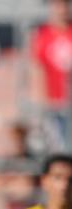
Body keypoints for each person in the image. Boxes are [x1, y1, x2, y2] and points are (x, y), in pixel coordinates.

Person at [31, 0, 72, 150]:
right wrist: (41, 101)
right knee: (57, 146)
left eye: (65, 5)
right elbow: (37, 68)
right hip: (53, 102)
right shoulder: (43, 34)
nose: (62, 10)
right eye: (58, 5)